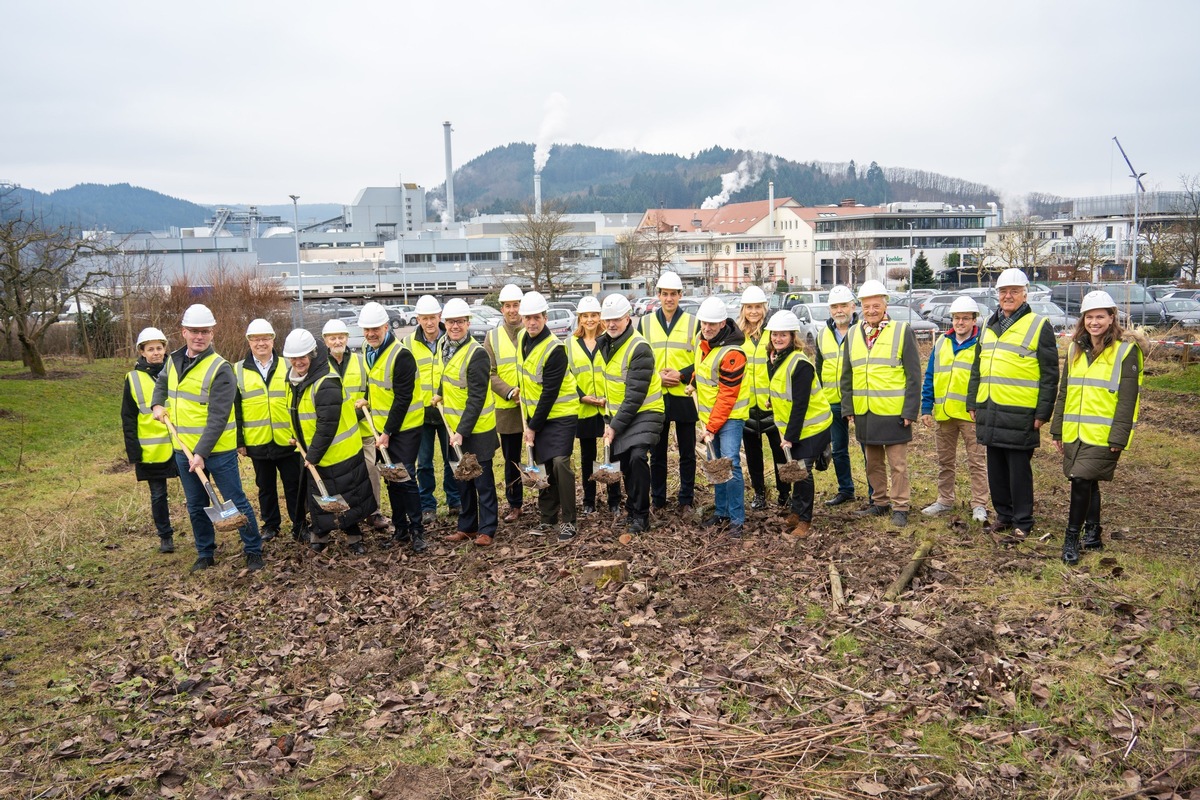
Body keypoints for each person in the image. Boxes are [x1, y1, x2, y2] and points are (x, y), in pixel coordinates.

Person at [151, 304, 263, 573]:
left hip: (218, 451)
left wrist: (201, 453)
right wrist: (156, 404)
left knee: (235, 500)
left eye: (204, 331)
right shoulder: (173, 359)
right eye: (194, 331)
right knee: (196, 505)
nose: (199, 336)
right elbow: (162, 383)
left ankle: (253, 549)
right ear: (184, 332)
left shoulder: (220, 368)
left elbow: (218, 416)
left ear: (212, 333)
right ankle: (205, 552)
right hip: (183, 449)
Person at [1050, 290, 1145, 564]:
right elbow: (1065, 391)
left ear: (1111, 318)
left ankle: (1071, 539)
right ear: (1083, 319)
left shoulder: (1126, 352)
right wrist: (1057, 429)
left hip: (1103, 434)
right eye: (1089, 317)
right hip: (1075, 431)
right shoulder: (1074, 349)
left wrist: (1120, 436)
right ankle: (1093, 534)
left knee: (1080, 481)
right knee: (1087, 482)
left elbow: (1129, 399)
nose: (1094, 322)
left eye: (1100, 317)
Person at [968, 268, 1059, 539]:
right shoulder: (987, 324)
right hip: (990, 407)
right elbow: (977, 367)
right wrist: (973, 400)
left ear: (1024, 293)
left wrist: (1043, 411)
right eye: (1003, 291)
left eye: (1014, 291)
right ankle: (1004, 515)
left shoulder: (1038, 325)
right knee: (996, 467)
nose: (1008, 296)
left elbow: (1049, 374)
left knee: (1019, 470)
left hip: (1021, 411)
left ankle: (1023, 520)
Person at [283, 330, 377, 554]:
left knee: (346, 495)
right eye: (293, 358)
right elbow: (300, 413)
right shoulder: (295, 380)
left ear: (313, 355)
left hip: (339, 451)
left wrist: (313, 455)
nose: (298, 362)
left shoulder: (326, 383)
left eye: (303, 357)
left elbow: (327, 426)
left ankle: (354, 537)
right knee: (320, 496)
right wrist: (297, 436)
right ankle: (320, 534)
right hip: (314, 450)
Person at [839, 280, 921, 527]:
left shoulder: (900, 330)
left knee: (897, 464)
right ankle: (880, 502)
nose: (872, 310)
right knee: (872, 462)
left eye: (876, 305)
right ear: (860, 307)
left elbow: (914, 375)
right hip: (865, 411)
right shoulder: (853, 333)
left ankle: (900, 506)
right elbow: (846, 374)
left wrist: (910, 410)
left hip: (894, 412)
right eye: (867, 306)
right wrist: (848, 407)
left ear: (885, 305)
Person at [359, 301, 426, 553]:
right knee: (391, 479)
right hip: (381, 429)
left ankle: (417, 531)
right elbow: (378, 386)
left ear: (386, 326)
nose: (370, 334)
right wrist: (368, 399)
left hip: (405, 429)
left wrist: (387, 433)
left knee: (405, 478)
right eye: (366, 329)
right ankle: (400, 530)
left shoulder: (402, 355)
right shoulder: (368, 350)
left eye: (375, 328)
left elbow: (402, 397)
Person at [233, 319, 304, 543]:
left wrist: (301, 435)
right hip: (258, 440)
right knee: (265, 487)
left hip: (288, 439)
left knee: (294, 485)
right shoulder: (238, 369)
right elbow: (235, 408)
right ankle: (271, 525)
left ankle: (300, 524)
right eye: (256, 339)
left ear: (273, 340)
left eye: (265, 338)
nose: (261, 343)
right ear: (249, 342)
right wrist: (239, 440)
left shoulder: (287, 365)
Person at [763, 311, 833, 538]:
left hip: (813, 426)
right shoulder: (775, 359)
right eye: (775, 334)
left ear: (793, 337)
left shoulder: (800, 364)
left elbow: (801, 404)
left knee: (803, 472)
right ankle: (796, 511)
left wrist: (790, 437)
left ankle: (804, 521)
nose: (778, 338)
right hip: (794, 427)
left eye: (783, 335)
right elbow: (786, 391)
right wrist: (773, 400)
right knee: (797, 470)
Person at [920, 297, 990, 523]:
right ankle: (944, 500)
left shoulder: (982, 343)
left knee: (977, 461)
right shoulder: (942, 342)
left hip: (971, 415)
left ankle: (979, 504)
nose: (960, 322)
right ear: (952, 319)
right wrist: (926, 407)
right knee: (945, 461)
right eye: (957, 318)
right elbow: (931, 375)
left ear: (973, 320)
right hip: (944, 413)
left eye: (965, 318)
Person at [437, 298, 501, 547]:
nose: (455, 326)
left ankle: (487, 529)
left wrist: (462, 431)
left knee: (482, 482)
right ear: (445, 323)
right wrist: (439, 395)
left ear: (468, 323)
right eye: (452, 322)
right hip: (452, 427)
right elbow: (449, 380)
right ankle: (467, 527)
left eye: (460, 322)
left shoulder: (477, 354)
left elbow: (476, 398)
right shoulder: (444, 347)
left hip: (476, 430)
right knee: (461, 480)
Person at [517, 291, 579, 541]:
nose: (532, 322)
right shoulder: (523, 338)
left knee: (561, 464)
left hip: (561, 414)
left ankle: (569, 521)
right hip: (536, 414)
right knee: (542, 467)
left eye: (537, 317)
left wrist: (532, 427)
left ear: (545, 317)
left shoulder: (556, 349)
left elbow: (550, 393)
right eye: (528, 318)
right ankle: (547, 518)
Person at [598, 295, 663, 535]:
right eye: (607, 320)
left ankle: (642, 516)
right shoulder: (605, 343)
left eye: (616, 319)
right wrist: (608, 419)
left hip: (646, 411)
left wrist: (614, 426)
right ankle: (632, 509)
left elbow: (635, 395)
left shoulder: (639, 348)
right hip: (620, 414)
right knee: (624, 462)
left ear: (628, 318)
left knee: (637, 458)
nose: (611, 324)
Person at [324, 318, 392, 537]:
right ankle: (345, 515)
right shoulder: (320, 366)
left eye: (341, 337)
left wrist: (367, 404)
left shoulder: (361, 361)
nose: (337, 341)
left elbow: (372, 390)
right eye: (332, 338)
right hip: (337, 433)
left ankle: (374, 512)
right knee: (340, 476)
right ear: (325, 341)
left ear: (347, 338)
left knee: (370, 471)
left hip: (361, 429)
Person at [689, 297, 749, 539]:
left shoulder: (734, 353)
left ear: (724, 323)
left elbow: (727, 394)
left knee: (730, 462)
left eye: (712, 324)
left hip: (730, 418)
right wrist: (693, 382)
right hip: (709, 417)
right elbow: (703, 369)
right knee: (716, 466)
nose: (707, 328)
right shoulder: (702, 341)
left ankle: (737, 519)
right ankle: (721, 512)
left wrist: (712, 427)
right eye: (704, 323)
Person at [639, 271, 698, 518]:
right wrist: (657, 377)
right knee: (658, 452)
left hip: (684, 394)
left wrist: (682, 375)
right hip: (657, 395)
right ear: (658, 295)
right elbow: (639, 358)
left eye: (673, 294)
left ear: (680, 295)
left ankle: (686, 499)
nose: (669, 298)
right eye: (665, 294)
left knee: (687, 451)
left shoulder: (694, 323)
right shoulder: (645, 322)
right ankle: (658, 499)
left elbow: (701, 360)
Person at [121, 327, 180, 554]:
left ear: (165, 349)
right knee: (158, 495)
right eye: (151, 349)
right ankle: (165, 536)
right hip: (152, 451)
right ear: (142, 352)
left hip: (182, 444)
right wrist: (134, 453)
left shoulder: (177, 371)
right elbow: (128, 418)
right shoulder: (133, 379)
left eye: (159, 348)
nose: (156, 353)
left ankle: (203, 531)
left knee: (195, 492)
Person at [405, 294, 461, 526]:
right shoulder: (408, 343)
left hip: (447, 410)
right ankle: (427, 505)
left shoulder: (450, 340)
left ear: (440, 317)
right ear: (418, 319)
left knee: (452, 460)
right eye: (424, 318)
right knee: (424, 462)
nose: (429, 323)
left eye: (433, 317)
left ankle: (454, 500)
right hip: (422, 413)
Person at [814, 285, 868, 507]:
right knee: (838, 449)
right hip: (832, 400)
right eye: (834, 306)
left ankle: (877, 493)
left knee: (868, 449)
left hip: (859, 399)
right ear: (829, 309)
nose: (839, 310)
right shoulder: (822, 335)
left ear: (852, 307)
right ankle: (846, 489)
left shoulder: (865, 331)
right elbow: (818, 369)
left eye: (843, 305)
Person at [569, 296, 622, 516]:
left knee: (612, 453)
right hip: (584, 409)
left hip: (607, 407)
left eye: (593, 315)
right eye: (585, 316)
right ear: (579, 319)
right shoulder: (570, 344)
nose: (590, 320)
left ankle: (614, 500)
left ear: (600, 317)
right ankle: (589, 499)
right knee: (587, 456)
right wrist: (582, 396)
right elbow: (568, 376)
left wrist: (606, 398)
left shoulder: (609, 339)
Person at [739, 285, 788, 511]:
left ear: (764, 308)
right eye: (749, 307)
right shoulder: (738, 336)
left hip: (772, 405)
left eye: (757, 307)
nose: (754, 312)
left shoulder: (772, 333)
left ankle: (784, 493)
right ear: (743, 309)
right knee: (753, 456)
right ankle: (759, 492)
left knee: (780, 452)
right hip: (747, 405)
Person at [484, 284, 526, 523]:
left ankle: (546, 499)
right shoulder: (493, 336)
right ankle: (515, 504)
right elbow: (489, 372)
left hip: (533, 405)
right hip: (507, 407)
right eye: (508, 306)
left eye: (516, 305)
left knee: (539, 455)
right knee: (511, 459)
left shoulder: (532, 329)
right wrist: (509, 391)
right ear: (502, 309)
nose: (513, 310)